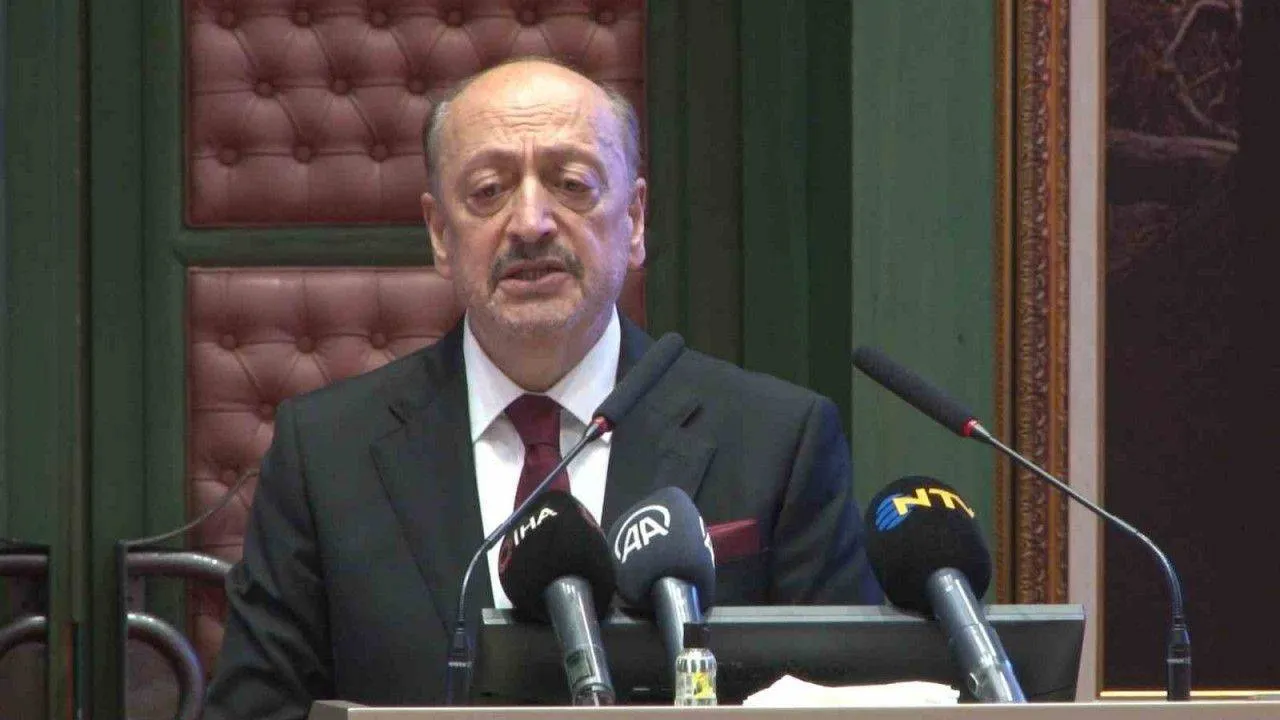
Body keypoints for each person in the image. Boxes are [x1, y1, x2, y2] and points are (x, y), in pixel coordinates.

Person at [203, 58, 882, 718]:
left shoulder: (776, 440)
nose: (530, 223)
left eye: (572, 184)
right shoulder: (326, 455)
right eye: (488, 191)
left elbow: (852, 703)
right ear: (439, 235)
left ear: (635, 219)